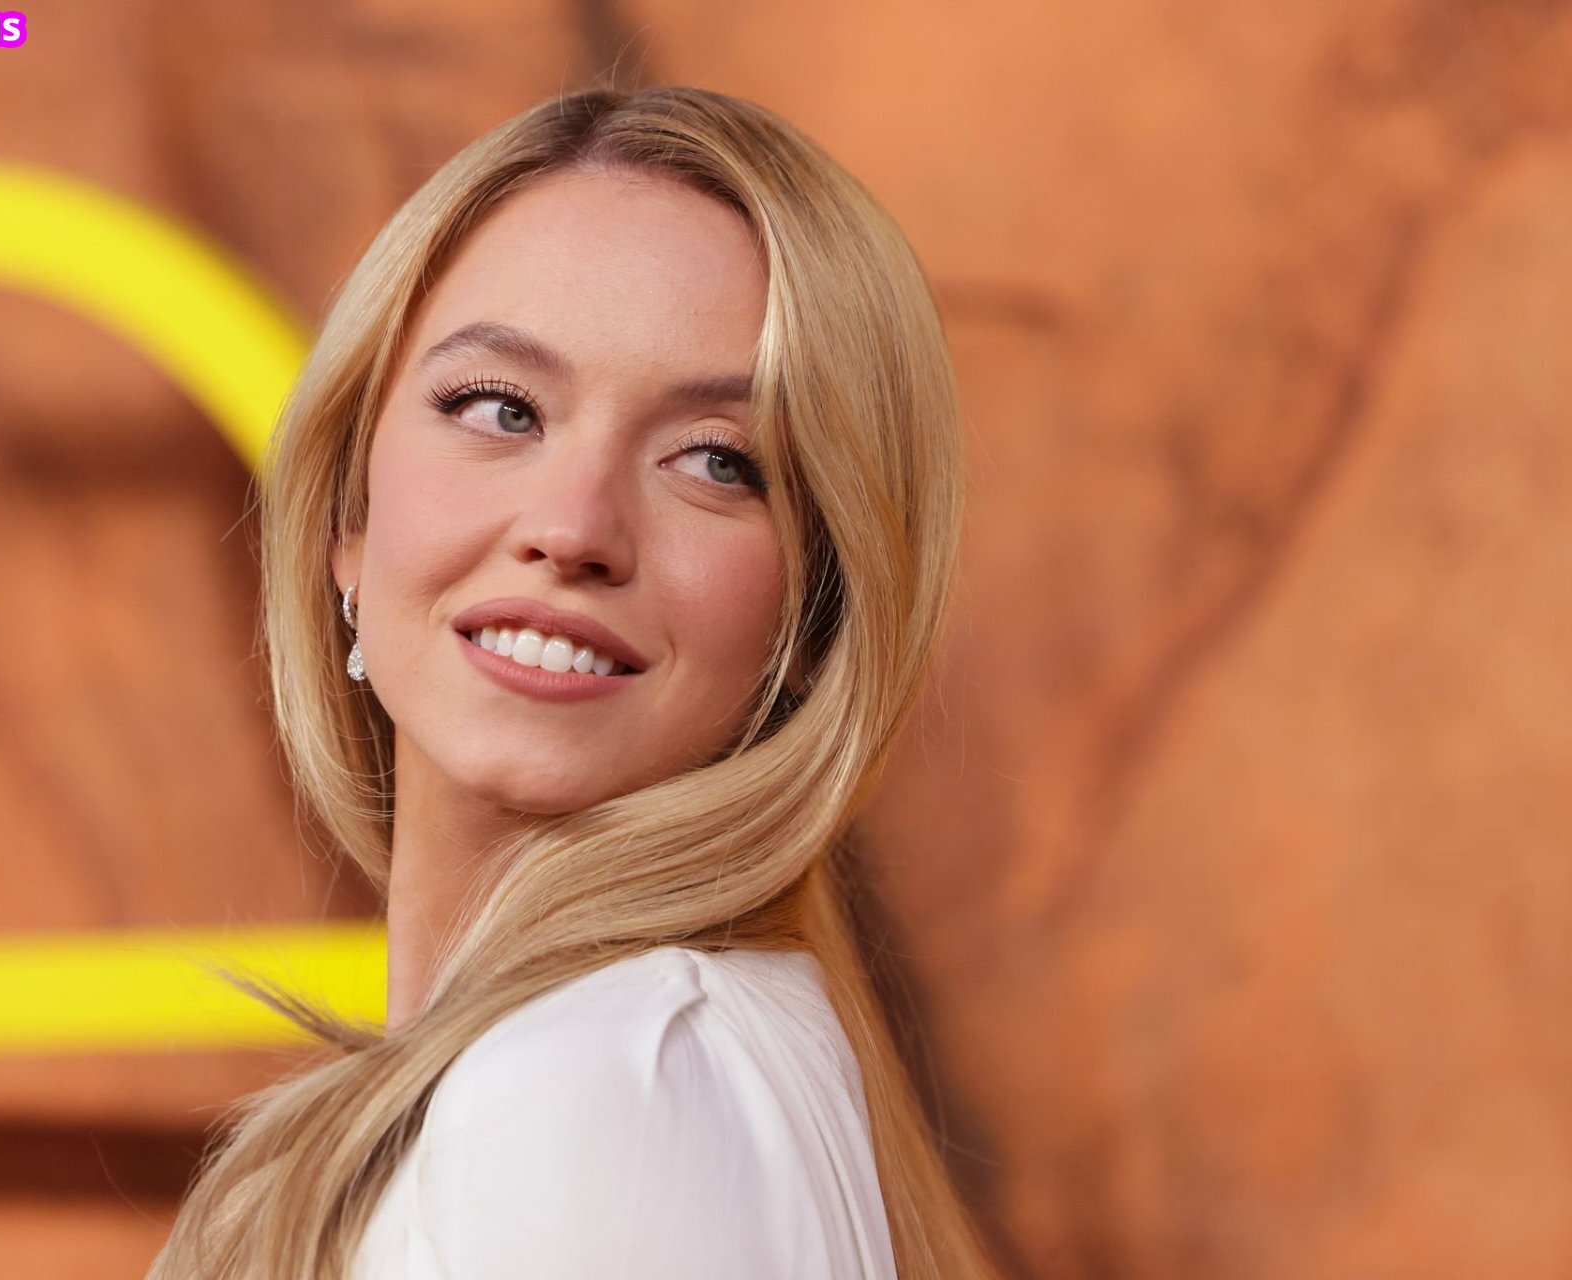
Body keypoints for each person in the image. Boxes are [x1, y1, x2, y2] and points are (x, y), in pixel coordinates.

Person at [145, 83, 998, 1280]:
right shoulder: (648, 1057)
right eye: (500, 407)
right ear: (348, 512)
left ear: (820, 613)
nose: (573, 526)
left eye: (717, 461)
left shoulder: (611, 1074)